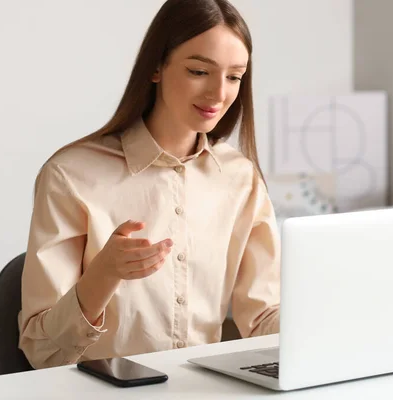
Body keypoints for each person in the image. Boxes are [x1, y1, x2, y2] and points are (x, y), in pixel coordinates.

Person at [18, 0, 280, 370]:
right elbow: (41, 351)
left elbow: (263, 319)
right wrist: (104, 274)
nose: (219, 94)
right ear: (156, 66)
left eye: (234, 76)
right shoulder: (70, 176)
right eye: (198, 71)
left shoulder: (240, 178)